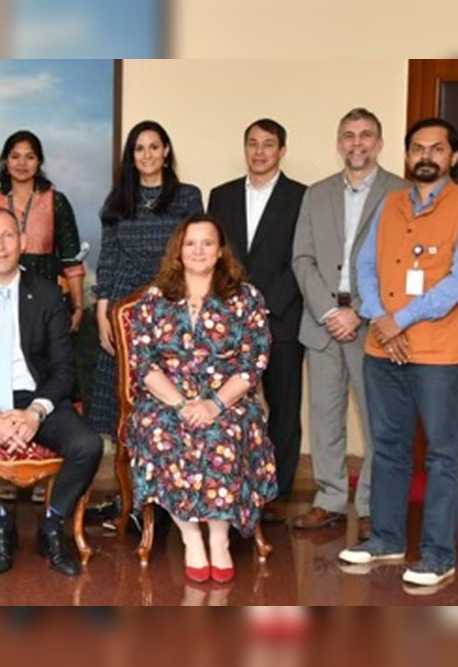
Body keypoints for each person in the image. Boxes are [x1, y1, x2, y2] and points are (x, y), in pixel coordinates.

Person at [340, 118, 458, 589]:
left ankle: (438, 555)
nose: (426, 156)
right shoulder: (389, 203)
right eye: (417, 149)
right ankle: (386, 538)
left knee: (442, 455)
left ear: (453, 157)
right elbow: (363, 264)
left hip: (440, 353)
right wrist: (379, 316)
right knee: (387, 447)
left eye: (437, 148)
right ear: (407, 156)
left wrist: (397, 320)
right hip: (382, 349)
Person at [0, 207, 103, 576]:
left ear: (23, 242)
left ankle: (53, 525)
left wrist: (36, 412)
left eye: (8, 236)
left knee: (89, 445)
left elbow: (63, 368)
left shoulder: (46, 295)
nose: (0, 246)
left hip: (35, 397)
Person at [125, 214, 278, 584]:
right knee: (162, 431)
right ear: (178, 250)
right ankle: (192, 536)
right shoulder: (154, 299)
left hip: (228, 399)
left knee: (223, 435)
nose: (198, 250)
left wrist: (214, 405)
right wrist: (180, 404)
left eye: (207, 243)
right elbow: (143, 364)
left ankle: (220, 539)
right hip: (167, 399)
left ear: (221, 250)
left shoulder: (246, 298)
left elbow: (253, 362)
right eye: (191, 243)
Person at [290, 108, 406, 539]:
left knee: (377, 420)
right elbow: (301, 258)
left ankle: (374, 505)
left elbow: (398, 265)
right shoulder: (316, 193)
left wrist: (358, 310)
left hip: (372, 323)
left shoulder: (401, 192)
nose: (356, 143)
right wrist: (329, 311)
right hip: (321, 323)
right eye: (348, 136)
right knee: (324, 417)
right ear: (339, 143)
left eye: (365, 135)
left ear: (378, 142)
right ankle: (330, 500)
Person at [90, 120, 203, 529]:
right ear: (131, 156)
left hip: (171, 306)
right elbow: (108, 259)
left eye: (155, 147)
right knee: (128, 408)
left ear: (167, 151)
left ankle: (174, 499)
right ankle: (132, 502)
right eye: (139, 149)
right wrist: (103, 311)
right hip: (123, 310)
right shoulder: (118, 200)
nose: (148, 155)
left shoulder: (188, 197)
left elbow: (195, 252)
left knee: (169, 404)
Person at [0, 130, 87, 505]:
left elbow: (71, 259)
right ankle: (9, 464)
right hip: (0, 301)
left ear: (39, 161)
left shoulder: (56, 201)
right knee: (8, 374)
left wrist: (76, 306)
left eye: (30, 156)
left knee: (44, 379)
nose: (22, 163)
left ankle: (44, 476)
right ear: (5, 161)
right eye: (15, 156)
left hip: (46, 302)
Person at [207, 119, 307, 524]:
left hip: (281, 318)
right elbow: (217, 256)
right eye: (253, 143)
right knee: (232, 406)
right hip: (229, 323)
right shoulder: (222, 195)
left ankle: (276, 494)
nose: (260, 151)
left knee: (283, 407)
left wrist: (262, 306)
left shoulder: (302, 197)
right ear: (244, 148)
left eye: (269, 144)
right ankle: (233, 484)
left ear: (282, 150)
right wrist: (236, 307)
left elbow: (302, 258)